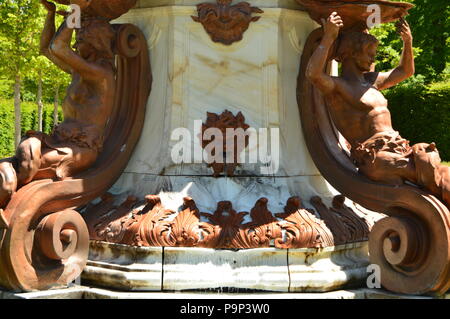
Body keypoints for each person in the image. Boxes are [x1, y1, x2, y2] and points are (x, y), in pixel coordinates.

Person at [306, 12, 449, 208]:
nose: (373, 57)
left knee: (440, 174)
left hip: (399, 149)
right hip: (377, 158)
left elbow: (405, 71)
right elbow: (313, 74)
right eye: (369, 52)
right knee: (439, 177)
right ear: (352, 53)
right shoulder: (339, 87)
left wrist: (408, 42)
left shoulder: (371, 81)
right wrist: (329, 37)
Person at [0, 0, 116, 208]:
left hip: (80, 148)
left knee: (24, 167)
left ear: (95, 42)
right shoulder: (78, 72)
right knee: (21, 159)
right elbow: (47, 49)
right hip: (57, 139)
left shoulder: (102, 75)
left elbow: (59, 46)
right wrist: (51, 15)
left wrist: (76, 10)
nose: (75, 44)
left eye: (80, 39)